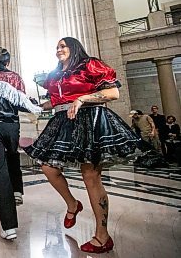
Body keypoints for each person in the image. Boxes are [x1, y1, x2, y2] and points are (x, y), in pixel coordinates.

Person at [23, 37, 140, 254]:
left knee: (91, 177)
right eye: (56, 47)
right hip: (62, 122)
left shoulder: (89, 65)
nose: (58, 49)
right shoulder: (55, 74)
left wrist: (83, 98)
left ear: (74, 48)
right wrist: (32, 105)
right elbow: (56, 101)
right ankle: (72, 204)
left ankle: (102, 236)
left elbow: (113, 93)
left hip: (89, 120)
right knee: (48, 167)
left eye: (63, 46)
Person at [0, 47, 40, 241]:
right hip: (12, 126)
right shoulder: (16, 77)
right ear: (8, 63)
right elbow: (21, 102)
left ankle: (9, 227)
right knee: (13, 157)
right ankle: (18, 191)